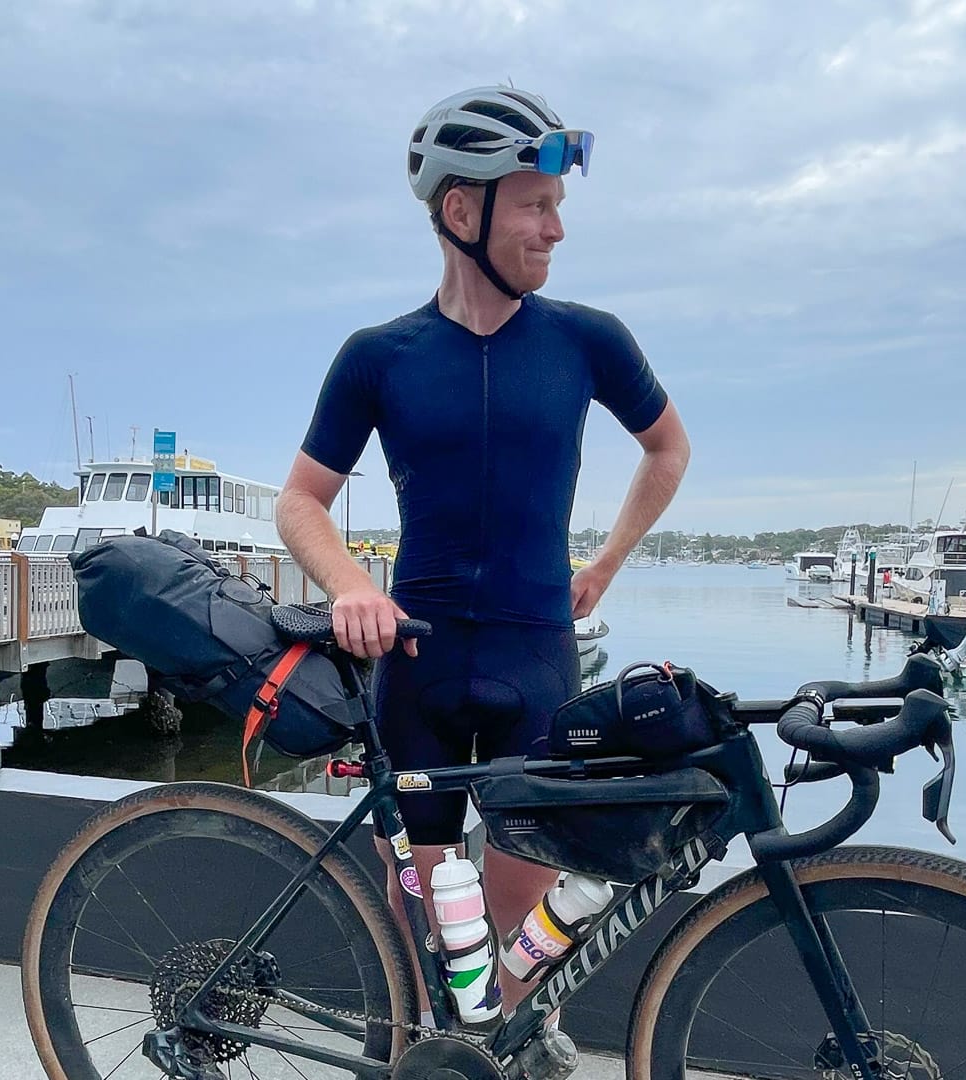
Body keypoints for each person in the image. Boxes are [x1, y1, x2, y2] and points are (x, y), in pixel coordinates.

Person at [276, 86, 689, 1067]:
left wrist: (608, 563)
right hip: (418, 660)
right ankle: (424, 1048)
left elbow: (667, 448)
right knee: (419, 909)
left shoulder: (587, 340)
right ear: (462, 211)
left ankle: (504, 1046)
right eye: (536, 205)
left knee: (519, 925)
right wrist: (353, 587)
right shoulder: (380, 358)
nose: (556, 228)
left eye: (557, 205)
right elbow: (301, 501)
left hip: (534, 654)